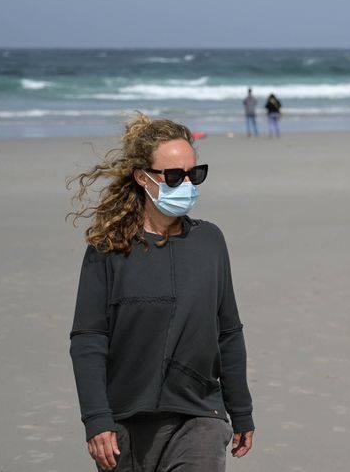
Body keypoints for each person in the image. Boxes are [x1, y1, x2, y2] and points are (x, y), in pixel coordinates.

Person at [67, 113, 254, 471]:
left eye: (193, 174)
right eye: (173, 175)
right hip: (124, 420)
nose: (185, 183)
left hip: (199, 414)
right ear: (143, 177)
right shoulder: (108, 249)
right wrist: (96, 418)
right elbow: (88, 337)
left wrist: (241, 411)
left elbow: (228, 331)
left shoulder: (210, 241)